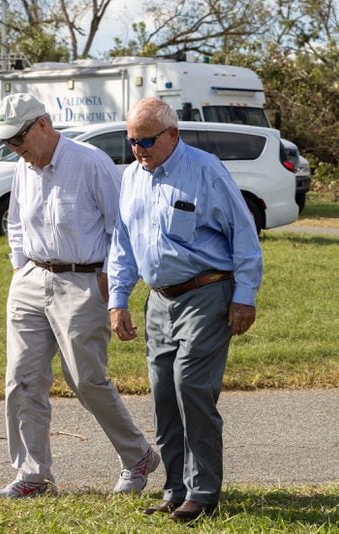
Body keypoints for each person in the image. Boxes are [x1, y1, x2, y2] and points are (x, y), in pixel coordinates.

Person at [0, 93, 159, 500]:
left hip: (84, 282)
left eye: (18, 139)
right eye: (9, 143)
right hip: (31, 279)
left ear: (42, 125)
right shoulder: (22, 167)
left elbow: (124, 226)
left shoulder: (91, 163)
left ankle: (137, 457)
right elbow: (15, 222)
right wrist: (19, 267)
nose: (15, 149)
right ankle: (33, 476)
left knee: (85, 380)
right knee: (22, 380)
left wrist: (109, 278)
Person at [107, 98, 262, 522]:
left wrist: (245, 295)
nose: (138, 149)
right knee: (163, 396)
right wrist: (118, 299)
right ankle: (175, 488)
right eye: (132, 141)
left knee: (191, 387)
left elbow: (243, 235)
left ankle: (204, 492)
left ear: (173, 134)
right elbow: (122, 244)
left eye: (147, 140)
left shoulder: (206, 169)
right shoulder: (131, 179)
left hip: (207, 293)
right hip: (159, 299)